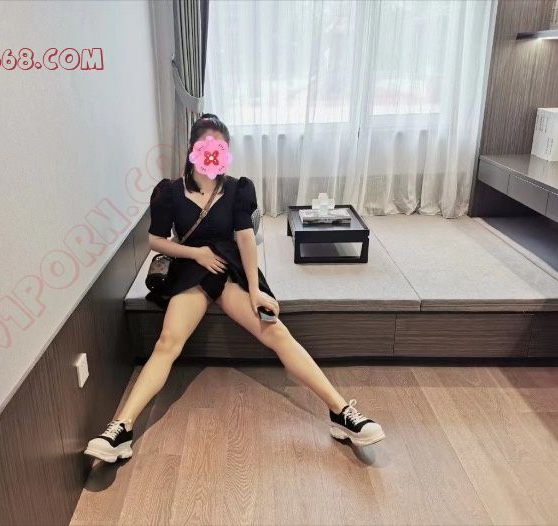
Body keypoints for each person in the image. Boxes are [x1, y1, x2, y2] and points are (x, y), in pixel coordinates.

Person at [84, 114, 384, 464]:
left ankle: (340, 412)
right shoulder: (169, 192)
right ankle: (121, 428)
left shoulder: (238, 188)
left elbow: (244, 238)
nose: (212, 153)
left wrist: (255, 289)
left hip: (229, 269)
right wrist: (196, 253)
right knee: (167, 343)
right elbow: (155, 240)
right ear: (192, 148)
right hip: (191, 269)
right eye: (205, 145)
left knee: (276, 331)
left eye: (220, 147)